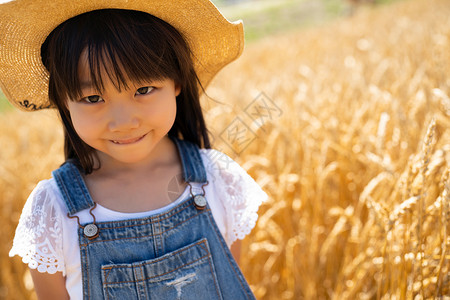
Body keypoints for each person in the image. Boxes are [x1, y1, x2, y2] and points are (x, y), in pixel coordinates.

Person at [1, 1, 267, 299]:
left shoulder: (219, 180)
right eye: (92, 98)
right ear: (64, 100)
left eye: (143, 90)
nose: (123, 122)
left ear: (177, 80)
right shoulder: (53, 211)